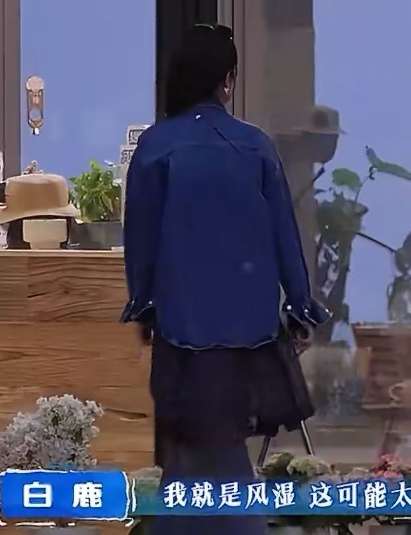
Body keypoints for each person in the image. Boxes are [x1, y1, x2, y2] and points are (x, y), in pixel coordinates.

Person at [121, 24, 329, 535]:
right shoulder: (255, 147)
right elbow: (284, 235)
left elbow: (140, 240)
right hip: (249, 337)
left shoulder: (155, 147)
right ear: (226, 81)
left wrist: (144, 306)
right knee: (225, 456)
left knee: (188, 459)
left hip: (181, 330)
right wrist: (299, 305)